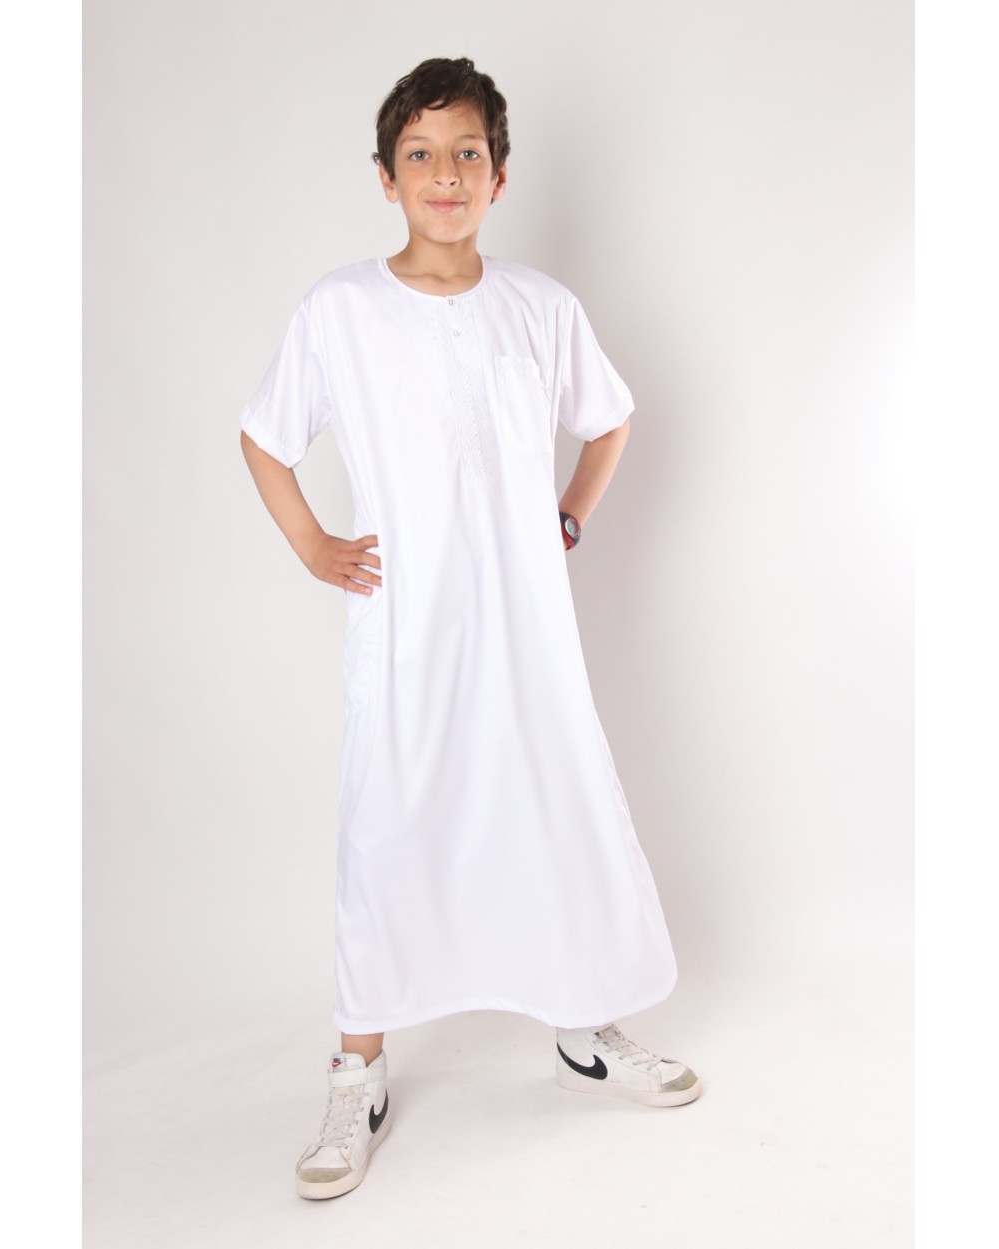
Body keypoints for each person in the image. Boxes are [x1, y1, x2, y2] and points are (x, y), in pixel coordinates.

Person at [238, 56, 702, 1202]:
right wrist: (314, 545)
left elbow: (609, 419)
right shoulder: (341, 311)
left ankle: (585, 1021)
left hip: (525, 628)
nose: (444, 175)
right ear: (385, 175)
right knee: (385, 823)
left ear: (499, 175)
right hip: (405, 629)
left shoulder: (539, 308)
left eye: (466, 154)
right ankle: (356, 1068)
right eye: (420, 155)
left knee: (556, 805)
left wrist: (567, 517)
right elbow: (265, 436)